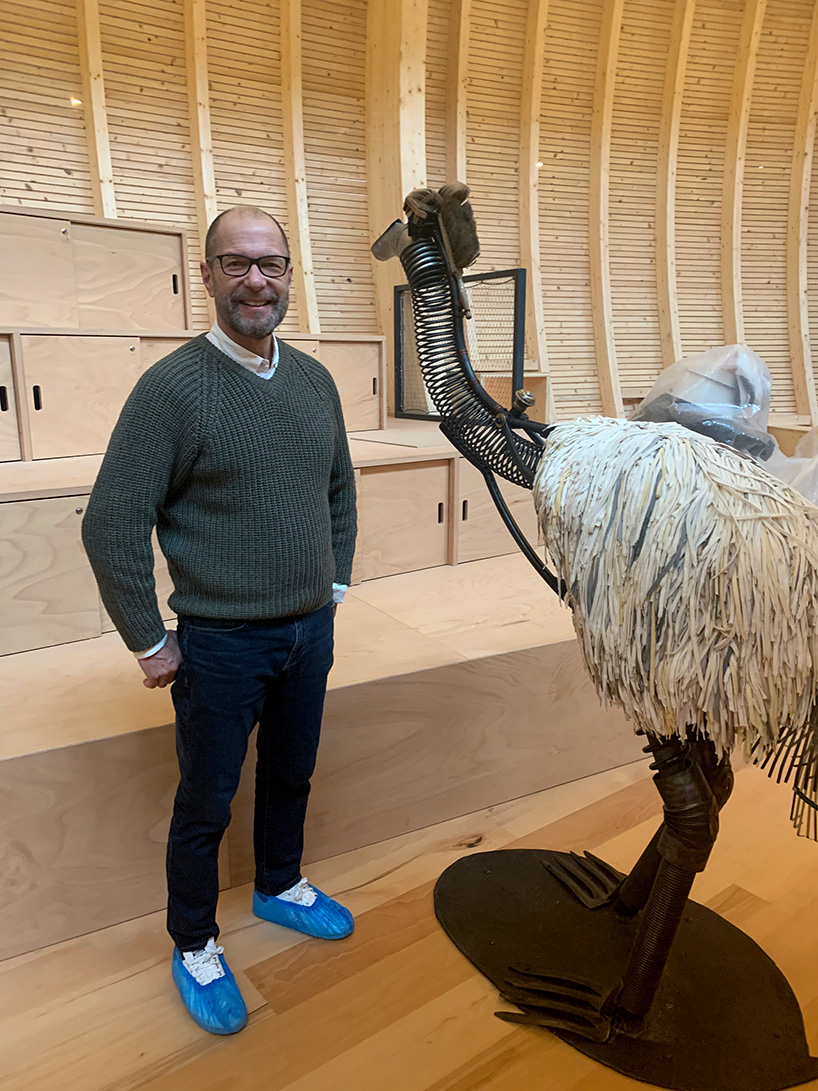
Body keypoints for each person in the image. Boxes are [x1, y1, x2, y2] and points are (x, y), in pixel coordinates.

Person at [82, 205, 357, 1036]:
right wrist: (147, 637)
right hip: (221, 640)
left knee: (292, 771)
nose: (255, 281)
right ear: (206, 277)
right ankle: (194, 939)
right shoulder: (172, 388)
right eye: (235, 265)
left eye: (270, 264)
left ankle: (278, 882)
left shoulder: (314, 379)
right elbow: (110, 521)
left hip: (309, 630)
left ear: (288, 277)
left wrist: (333, 585)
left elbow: (339, 491)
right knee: (206, 799)